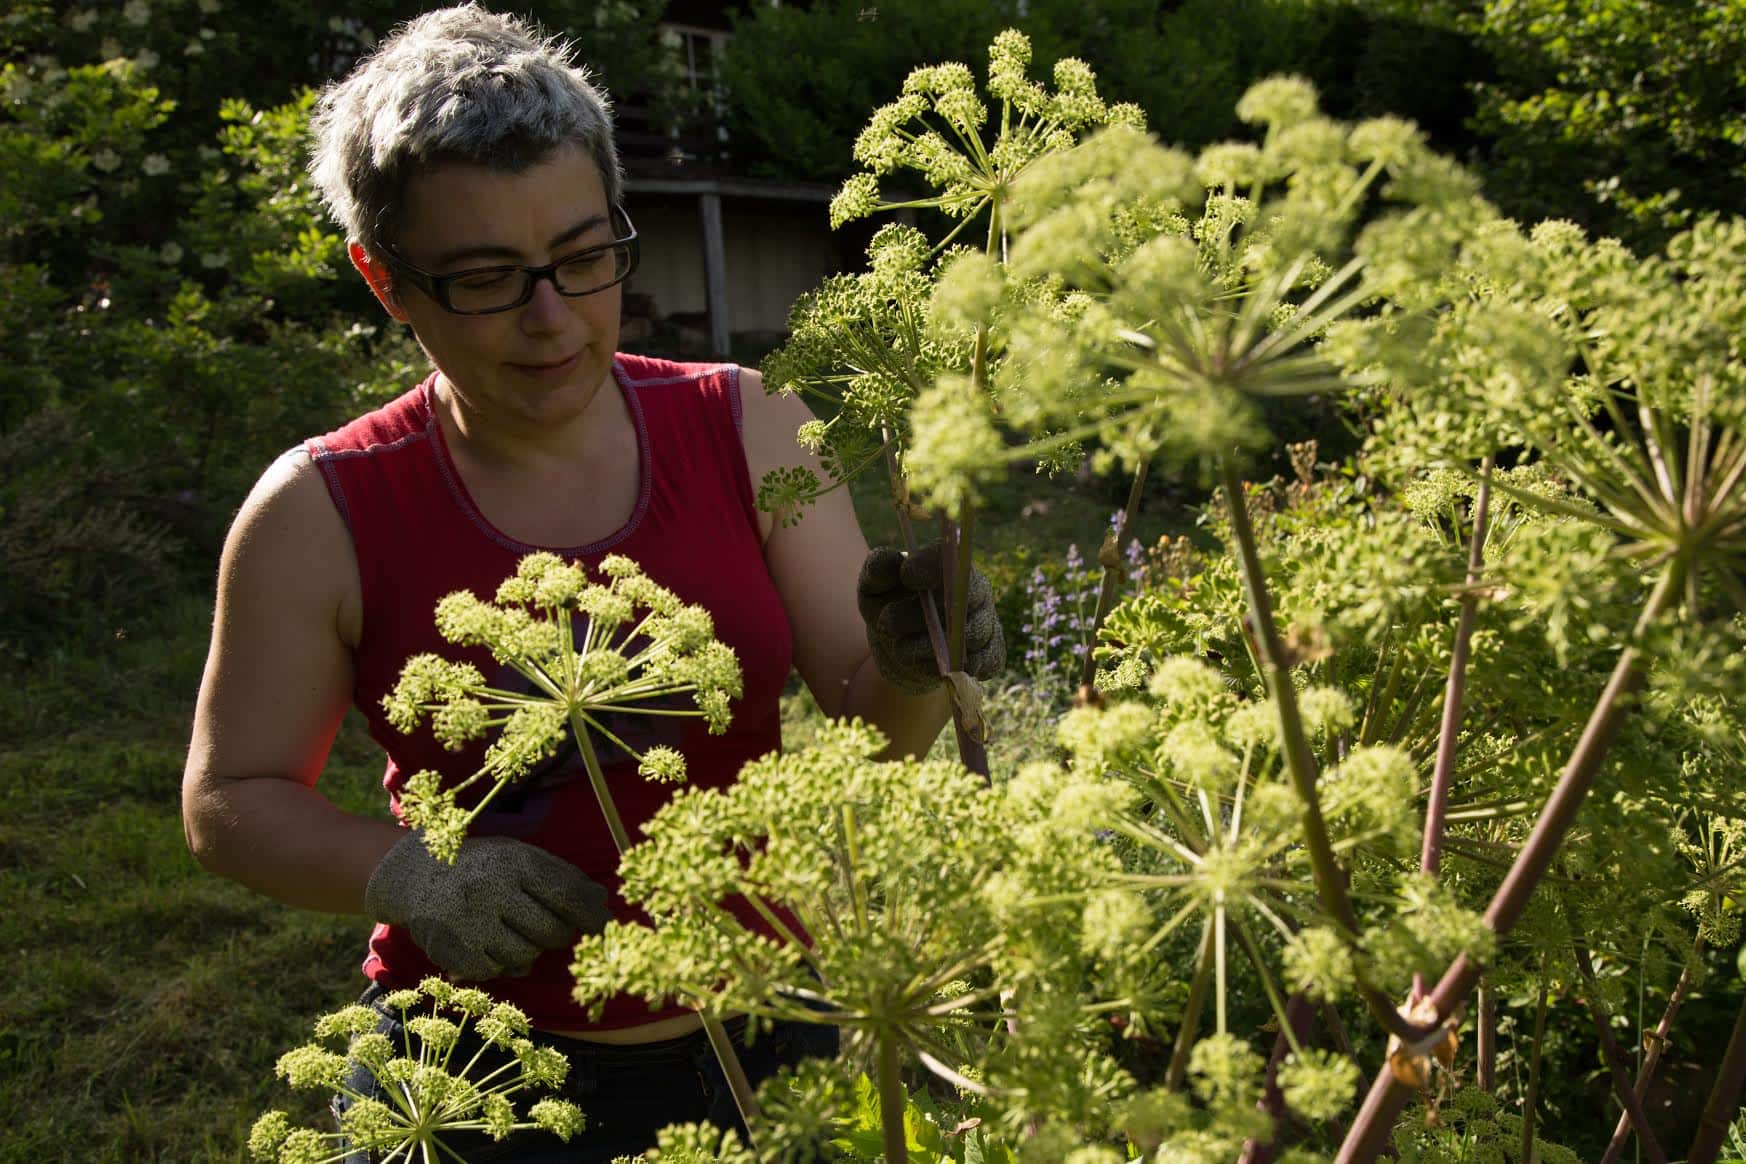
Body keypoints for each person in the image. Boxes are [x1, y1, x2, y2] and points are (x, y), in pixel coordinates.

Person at [179, 4, 1003, 1160]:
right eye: (487, 279)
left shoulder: (750, 424)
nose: (554, 320)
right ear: (384, 278)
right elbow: (232, 800)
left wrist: (920, 665)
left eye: (582, 257)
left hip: (768, 1036)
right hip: (470, 1080)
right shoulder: (321, 509)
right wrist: (407, 873)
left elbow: (874, 716)